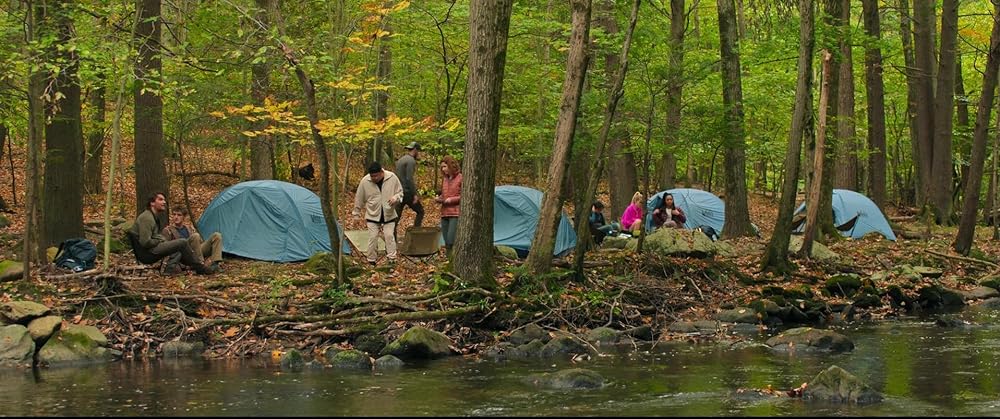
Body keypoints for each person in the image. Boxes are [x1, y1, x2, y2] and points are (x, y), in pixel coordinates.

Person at [129, 192, 216, 275]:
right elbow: (145, 242)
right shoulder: (147, 218)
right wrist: (159, 241)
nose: (164, 202)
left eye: (164, 200)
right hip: (147, 254)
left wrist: (159, 239)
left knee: (181, 244)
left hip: (151, 250)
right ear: (152, 203)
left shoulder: (153, 217)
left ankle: (195, 266)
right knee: (182, 242)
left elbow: (153, 236)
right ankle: (200, 268)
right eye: (160, 199)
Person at [353, 162, 404, 265]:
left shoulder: (392, 177)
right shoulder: (365, 181)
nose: (374, 178)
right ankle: (371, 260)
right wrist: (356, 214)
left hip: (389, 213)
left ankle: (392, 259)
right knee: (373, 237)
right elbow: (359, 198)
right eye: (372, 176)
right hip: (372, 214)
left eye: (376, 175)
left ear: (381, 172)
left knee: (389, 236)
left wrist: (396, 198)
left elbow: (400, 193)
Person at [162, 207, 224, 272]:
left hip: (195, 252)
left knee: (217, 235)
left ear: (184, 217)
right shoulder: (168, 230)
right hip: (183, 255)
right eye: (174, 214)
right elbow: (166, 248)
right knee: (195, 236)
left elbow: (198, 242)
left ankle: (216, 263)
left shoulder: (189, 227)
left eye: (179, 215)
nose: (176, 217)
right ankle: (201, 265)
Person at [394, 141, 425, 241]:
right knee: (420, 211)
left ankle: (392, 240)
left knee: (395, 218)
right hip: (407, 193)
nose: (418, 154)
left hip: (398, 192)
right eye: (418, 151)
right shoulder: (411, 161)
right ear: (415, 150)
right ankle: (415, 236)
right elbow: (409, 179)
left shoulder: (401, 160)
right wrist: (414, 194)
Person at [436, 156, 461, 257]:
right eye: (442, 167)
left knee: (451, 239)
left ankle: (453, 258)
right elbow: (445, 194)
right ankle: (449, 259)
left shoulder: (460, 178)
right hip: (444, 212)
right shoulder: (445, 179)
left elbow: (465, 196)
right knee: (446, 239)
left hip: (455, 212)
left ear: (451, 166)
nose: (443, 169)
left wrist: (452, 200)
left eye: (445, 166)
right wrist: (439, 198)